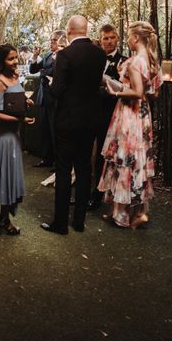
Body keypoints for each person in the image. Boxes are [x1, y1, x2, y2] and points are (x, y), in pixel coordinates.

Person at [41, 15, 107, 235]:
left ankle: (60, 223)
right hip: (90, 120)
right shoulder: (100, 54)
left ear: (69, 31)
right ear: (86, 30)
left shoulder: (66, 54)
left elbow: (57, 90)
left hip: (67, 120)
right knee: (84, 168)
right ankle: (79, 221)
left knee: (63, 169)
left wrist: (52, 83)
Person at [98, 21, 162, 229]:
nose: (127, 40)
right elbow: (154, 93)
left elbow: (136, 92)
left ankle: (121, 214)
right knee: (138, 160)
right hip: (143, 115)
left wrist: (115, 91)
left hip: (129, 114)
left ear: (135, 38)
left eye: (128, 36)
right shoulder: (152, 61)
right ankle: (140, 211)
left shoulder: (135, 62)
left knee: (124, 159)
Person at [0, 44, 35, 235]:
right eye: (11, 59)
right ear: (1, 61)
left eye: (16, 58)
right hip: (3, 136)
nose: (15, 62)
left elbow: (11, 102)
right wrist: (19, 119)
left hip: (13, 134)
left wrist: (24, 101)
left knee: (5, 173)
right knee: (4, 175)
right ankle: (3, 220)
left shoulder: (14, 77)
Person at [88, 24, 129, 211]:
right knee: (85, 153)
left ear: (118, 38)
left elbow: (124, 89)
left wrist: (104, 89)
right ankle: (84, 191)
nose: (109, 41)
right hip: (89, 112)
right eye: (105, 38)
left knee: (102, 158)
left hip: (110, 116)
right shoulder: (92, 58)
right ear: (100, 39)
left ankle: (97, 195)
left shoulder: (125, 62)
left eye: (112, 37)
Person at [29, 30, 66, 168]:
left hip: (55, 99)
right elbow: (33, 70)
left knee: (54, 130)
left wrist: (43, 72)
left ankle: (58, 163)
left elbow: (53, 73)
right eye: (51, 40)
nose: (51, 42)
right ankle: (46, 159)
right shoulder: (47, 55)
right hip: (43, 97)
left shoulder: (64, 56)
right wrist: (34, 56)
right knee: (44, 129)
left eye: (54, 40)